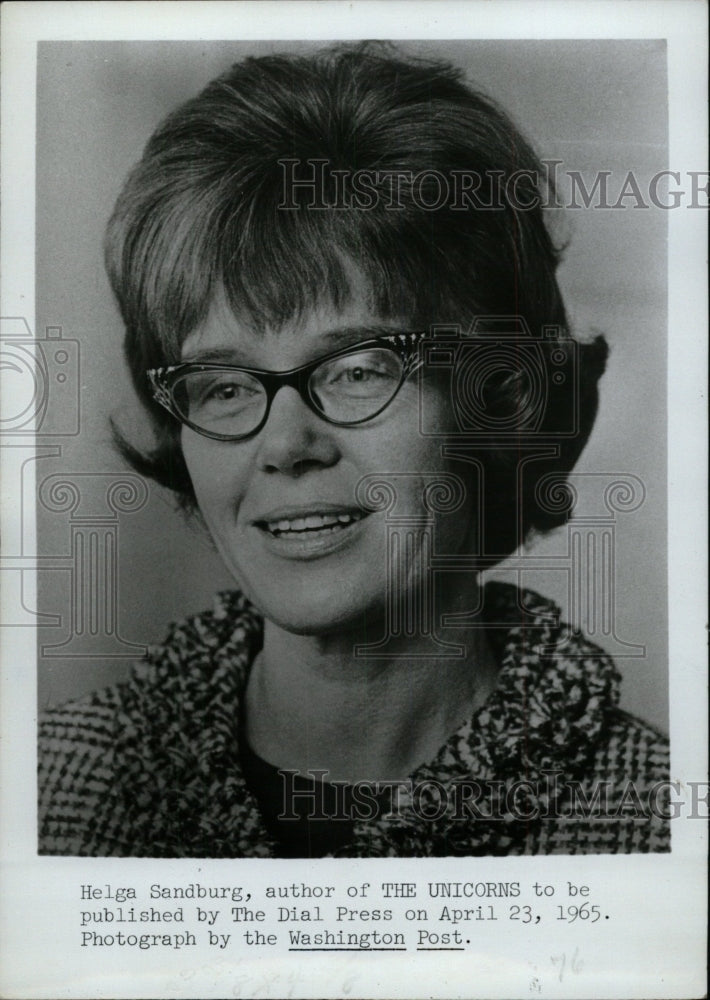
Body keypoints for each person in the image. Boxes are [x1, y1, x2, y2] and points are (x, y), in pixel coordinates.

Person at [38, 42, 669, 858]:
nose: (286, 445)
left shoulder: (658, 828)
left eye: (359, 369)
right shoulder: (45, 790)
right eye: (223, 386)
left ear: (501, 397)